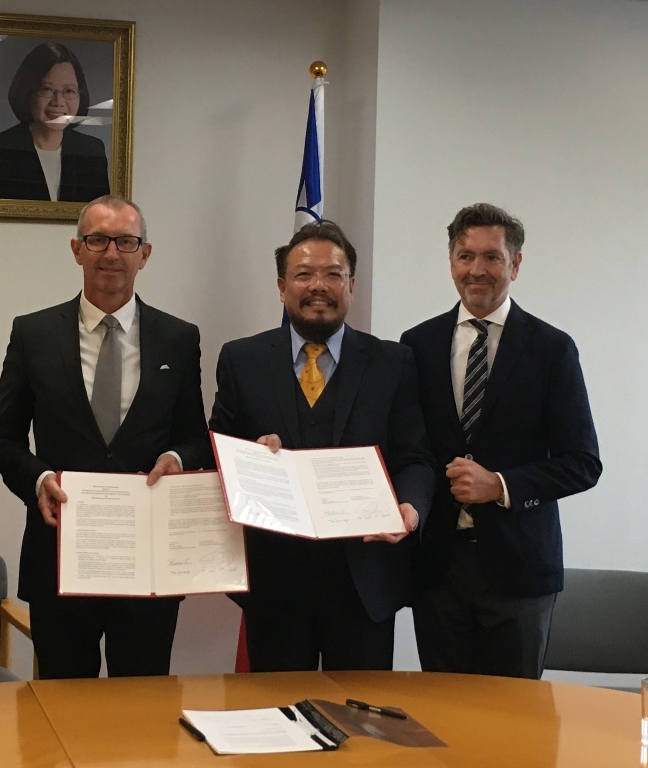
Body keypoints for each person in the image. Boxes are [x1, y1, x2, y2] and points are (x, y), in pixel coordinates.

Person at [0, 194, 212, 679]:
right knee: (60, 714)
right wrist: (38, 478)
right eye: (97, 240)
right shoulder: (33, 334)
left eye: (126, 241)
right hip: (61, 556)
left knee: (142, 718)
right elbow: (2, 441)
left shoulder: (179, 337)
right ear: (76, 249)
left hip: (149, 562)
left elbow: (196, 436)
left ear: (145, 253)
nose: (111, 253)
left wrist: (177, 456)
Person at [208, 219, 434, 672]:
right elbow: (217, 455)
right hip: (273, 585)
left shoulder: (394, 362)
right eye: (304, 274)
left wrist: (410, 508)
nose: (319, 286)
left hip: (364, 585)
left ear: (351, 285)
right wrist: (251, 456)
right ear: (281, 287)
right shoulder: (241, 360)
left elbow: (415, 457)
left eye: (333, 274)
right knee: (277, 724)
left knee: (360, 725)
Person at [401, 202, 602, 679]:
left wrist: (502, 485)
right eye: (466, 256)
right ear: (451, 262)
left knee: (516, 727)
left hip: (520, 572)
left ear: (515, 264)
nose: (477, 270)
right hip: (436, 571)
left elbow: (584, 462)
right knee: (444, 721)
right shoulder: (416, 344)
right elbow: (406, 447)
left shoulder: (552, 349)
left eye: (492, 257)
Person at [0, 42, 110, 202]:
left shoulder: (91, 150)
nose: (58, 102)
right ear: (27, 92)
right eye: (46, 89)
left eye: (69, 91)